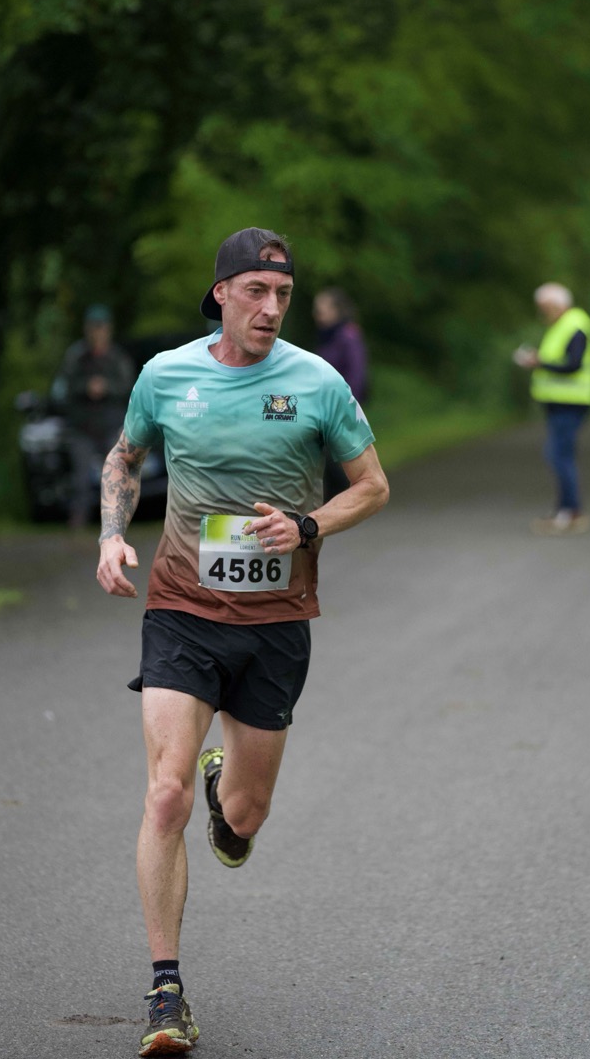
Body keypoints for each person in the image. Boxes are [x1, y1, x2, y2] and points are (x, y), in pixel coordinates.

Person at [96, 227, 389, 1057]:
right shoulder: (165, 375)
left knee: (243, 817)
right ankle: (165, 992)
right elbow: (124, 458)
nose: (270, 308)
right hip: (181, 609)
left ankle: (229, 801)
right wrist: (111, 536)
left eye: (283, 295)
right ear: (221, 293)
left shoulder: (317, 381)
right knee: (164, 796)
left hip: (275, 624)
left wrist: (307, 525)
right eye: (256, 292)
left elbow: (372, 487)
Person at [513, 282, 590, 536]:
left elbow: (574, 364)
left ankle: (570, 512)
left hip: (571, 402)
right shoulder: (563, 325)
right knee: (560, 454)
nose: (542, 313)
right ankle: (565, 509)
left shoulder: (576, 326)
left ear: (558, 304)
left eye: (545, 307)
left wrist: (539, 362)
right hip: (560, 402)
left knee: (559, 455)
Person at [53, 304, 136, 529]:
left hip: (111, 425)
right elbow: (64, 389)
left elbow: (129, 388)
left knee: (116, 475)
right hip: (82, 427)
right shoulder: (76, 356)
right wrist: (86, 387)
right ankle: (79, 518)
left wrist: (105, 387)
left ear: (108, 329)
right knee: (79, 477)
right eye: (94, 327)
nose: (97, 332)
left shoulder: (118, 358)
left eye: (101, 327)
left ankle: (117, 519)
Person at [312, 287, 370, 499]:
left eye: (322, 309)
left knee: (337, 469)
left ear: (337, 310)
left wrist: (347, 409)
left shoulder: (348, 336)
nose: (317, 314)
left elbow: (357, 374)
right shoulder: (329, 337)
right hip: (324, 412)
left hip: (340, 413)